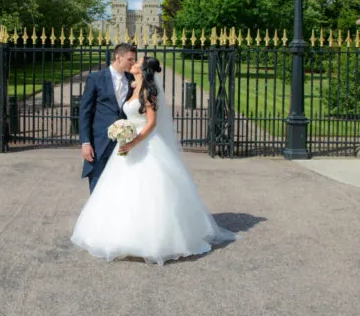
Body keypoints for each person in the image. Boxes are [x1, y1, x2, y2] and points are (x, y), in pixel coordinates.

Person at [71, 55, 238, 265]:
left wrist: (134, 142)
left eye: (137, 62)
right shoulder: (133, 87)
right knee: (122, 189)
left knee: (150, 190)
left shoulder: (148, 92)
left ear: (143, 69)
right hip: (128, 144)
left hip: (144, 143)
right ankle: (123, 233)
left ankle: (155, 238)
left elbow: (151, 123)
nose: (133, 64)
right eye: (132, 60)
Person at [79, 43, 137, 193]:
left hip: (123, 142)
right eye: (130, 60)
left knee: (121, 185)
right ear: (118, 57)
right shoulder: (95, 78)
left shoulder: (132, 80)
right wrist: (85, 142)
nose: (133, 63)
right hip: (99, 141)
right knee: (97, 183)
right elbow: (85, 111)